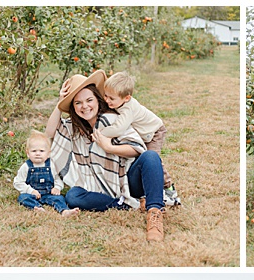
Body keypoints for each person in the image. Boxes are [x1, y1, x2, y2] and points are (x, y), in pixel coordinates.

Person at [45, 70, 168, 242]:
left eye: (89, 100)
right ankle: (123, 205)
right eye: (78, 103)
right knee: (73, 196)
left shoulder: (111, 119)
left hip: (127, 180)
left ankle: (154, 212)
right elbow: (50, 132)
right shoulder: (73, 128)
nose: (85, 106)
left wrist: (108, 147)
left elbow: (136, 147)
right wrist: (60, 103)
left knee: (150, 157)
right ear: (73, 107)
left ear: (98, 99)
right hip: (100, 188)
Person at [93, 71, 180, 205]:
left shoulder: (128, 109)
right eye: (105, 96)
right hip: (144, 133)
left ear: (126, 98)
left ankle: (168, 186)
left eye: (111, 98)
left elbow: (118, 128)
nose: (107, 100)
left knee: (153, 160)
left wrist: (100, 133)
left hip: (154, 132)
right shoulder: (119, 102)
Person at [12, 131, 79, 217]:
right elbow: (18, 182)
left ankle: (64, 211)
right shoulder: (26, 167)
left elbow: (57, 178)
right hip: (32, 194)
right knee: (22, 198)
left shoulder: (51, 165)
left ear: (48, 153)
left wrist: (57, 187)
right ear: (28, 153)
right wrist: (30, 191)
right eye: (34, 151)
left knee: (60, 198)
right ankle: (37, 207)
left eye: (41, 151)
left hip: (48, 193)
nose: (38, 153)